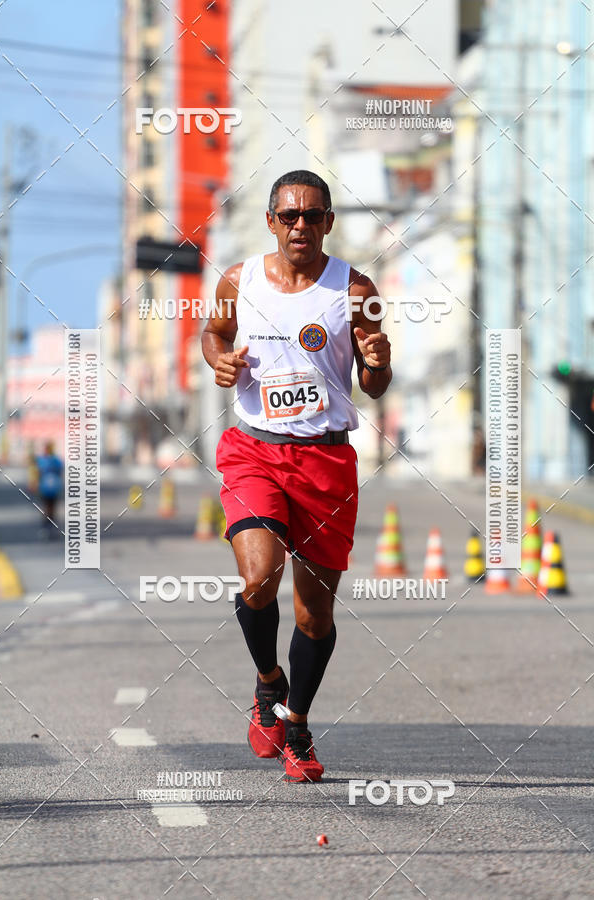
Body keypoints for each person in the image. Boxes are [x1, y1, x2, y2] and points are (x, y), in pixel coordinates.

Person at [202, 170, 391, 782]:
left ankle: (298, 723)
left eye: (312, 215)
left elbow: (374, 382)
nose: (300, 226)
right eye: (289, 216)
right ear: (271, 221)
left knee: (314, 616)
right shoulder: (240, 280)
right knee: (259, 578)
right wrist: (219, 360)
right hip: (254, 450)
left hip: (327, 461)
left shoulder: (355, 287)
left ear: (329, 222)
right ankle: (267, 682)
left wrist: (380, 365)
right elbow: (214, 331)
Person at [36, 441, 63, 537]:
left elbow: (38, 473)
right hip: (48, 488)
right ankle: (48, 527)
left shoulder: (45, 460)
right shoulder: (53, 460)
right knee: (49, 508)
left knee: (50, 508)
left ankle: (49, 527)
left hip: (50, 488)